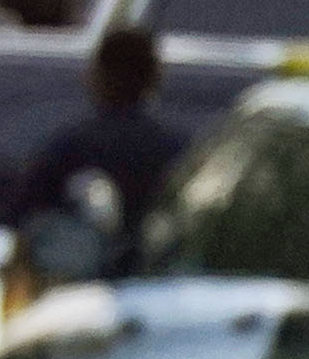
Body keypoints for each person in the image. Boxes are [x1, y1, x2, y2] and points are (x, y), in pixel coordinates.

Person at [12, 25, 182, 241]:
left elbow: (24, 211)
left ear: (97, 76)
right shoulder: (175, 150)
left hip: (77, 269)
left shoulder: (73, 145)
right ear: (154, 79)